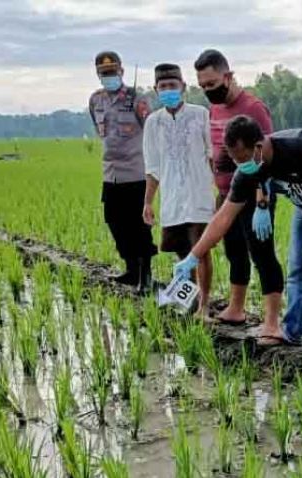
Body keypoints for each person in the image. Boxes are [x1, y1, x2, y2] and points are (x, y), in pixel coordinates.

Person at [174, 116, 302, 366]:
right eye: (235, 160)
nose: (240, 165)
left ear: (258, 147)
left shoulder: (300, 145)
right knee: (297, 272)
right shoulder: (248, 170)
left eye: (242, 158)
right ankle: (292, 333)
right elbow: (224, 217)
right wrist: (193, 257)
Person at [195, 49, 281, 329]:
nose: (208, 90)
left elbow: (268, 156)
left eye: (212, 83)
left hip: (255, 193)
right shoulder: (215, 109)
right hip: (227, 193)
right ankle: (236, 308)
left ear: (228, 76)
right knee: (234, 250)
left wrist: (262, 203)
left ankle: (271, 321)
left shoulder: (254, 108)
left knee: (261, 253)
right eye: (203, 86)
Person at [142, 63, 216, 315]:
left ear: (183, 87)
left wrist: (219, 190)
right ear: (156, 90)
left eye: (172, 85)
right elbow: (153, 167)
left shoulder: (200, 115)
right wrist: (148, 202)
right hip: (172, 199)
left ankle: (204, 305)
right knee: (182, 254)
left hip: (199, 196)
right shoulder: (153, 122)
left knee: (201, 251)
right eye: (163, 87)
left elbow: (212, 155)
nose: (168, 90)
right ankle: (188, 302)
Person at [88, 50, 156, 291]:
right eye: (104, 73)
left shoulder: (137, 99)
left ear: (121, 71)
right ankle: (131, 268)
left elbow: (151, 131)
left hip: (136, 173)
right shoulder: (96, 100)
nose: (109, 76)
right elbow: (100, 131)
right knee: (115, 222)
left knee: (139, 226)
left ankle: (145, 275)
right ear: (98, 74)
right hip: (111, 174)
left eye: (112, 72)